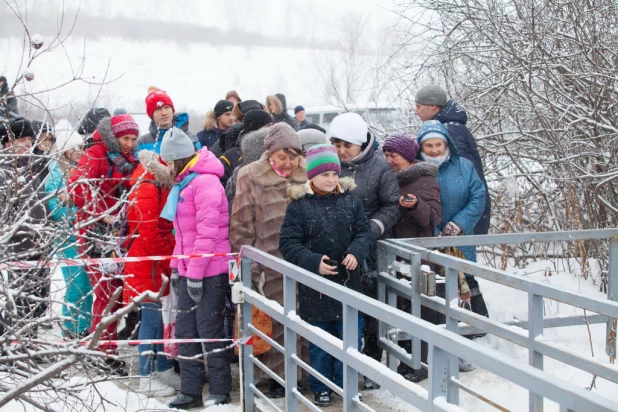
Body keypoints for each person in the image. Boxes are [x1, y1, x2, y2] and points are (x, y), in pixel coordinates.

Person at [280, 144, 373, 407]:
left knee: (350, 339)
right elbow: (288, 244)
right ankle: (321, 386)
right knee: (320, 342)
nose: (331, 179)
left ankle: (347, 385)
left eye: (334, 174)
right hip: (315, 288)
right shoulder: (298, 206)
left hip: (348, 283)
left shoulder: (350, 202)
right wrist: (313, 262)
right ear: (311, 177)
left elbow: (365, 233)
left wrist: (357, 251)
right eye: (325, 175)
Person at [230, 123, 307, 398]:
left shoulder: (307, 175)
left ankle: (303, 374)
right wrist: (248, 261)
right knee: (275, 320)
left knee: (303, 319)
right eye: (281, 157)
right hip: (269, 260)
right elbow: (241, 223)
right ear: (270, 153)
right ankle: (278, 377)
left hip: (304, 261)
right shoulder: (250, 175)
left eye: (293, 156)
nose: (287, 163)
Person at [158, 128, 232, 409]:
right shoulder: (184, 184)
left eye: (167, 161)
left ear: (177, 159)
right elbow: (182, 235)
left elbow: (207, 234)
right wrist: (177, 268)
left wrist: (197, 274)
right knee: (186, 331)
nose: (166, 166)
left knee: (210, 330)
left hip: (210, 271)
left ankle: (220, 389)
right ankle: (190, 391)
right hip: (189, 269)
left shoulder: (205, 184)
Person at [329, 113, 400, 389]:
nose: (342, 151)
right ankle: (338, 367)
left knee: (369, 307)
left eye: (348, 145)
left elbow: (391, 205)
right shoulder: (330, 165)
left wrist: (371, 228)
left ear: (361, 143)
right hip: (334, 245)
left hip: (368, 248)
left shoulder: (379, 168)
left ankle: (370, 364)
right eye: (337, 144)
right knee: (336, 307)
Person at [68, 114, 141, 375]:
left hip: (118, 235)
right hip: (94, 233)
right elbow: (76, 186)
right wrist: (102, 211)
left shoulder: (128, 159)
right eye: (125, 138)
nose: (130, 143)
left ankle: (98, 343)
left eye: (133, 138)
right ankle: (103, 353)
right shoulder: (97, 153)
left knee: (117, 293)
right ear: (114, 136)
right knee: (106, 293)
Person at [416, 119, 489, 371]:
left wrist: (458, 224)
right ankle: (434, 352)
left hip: (459, 240)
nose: (434, 149)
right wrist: (432, 231)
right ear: (420, 146)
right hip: (428, 243)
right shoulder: (416, 168)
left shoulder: (464, 167)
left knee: (461, 294)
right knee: (432, 297)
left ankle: (462, 349)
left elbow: (478, 196)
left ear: (447, 144)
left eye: (439, 144)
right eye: (429, 144)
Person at [382, 131, 442, 383]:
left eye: (393, 155)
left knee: (421, 310)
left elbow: (434, 218)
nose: (388, 160)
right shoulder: (387, 178)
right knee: (402, 309)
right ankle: (406, 360)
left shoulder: (425, 181)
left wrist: (416, 204)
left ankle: (421, 364)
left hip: (419, 256)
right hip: (395, 254)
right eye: (385, 154)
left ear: (407, 156)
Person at [123, 149, 179, 396]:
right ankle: (146, 375)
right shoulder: (148, 184)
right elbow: (148, 231)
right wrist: (169, 256)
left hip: (155, 260)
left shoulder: (156, 180)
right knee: (151, 318)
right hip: (148, 262)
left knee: (160, 318)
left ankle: (163, 367)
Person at [415, 85, 490, 235]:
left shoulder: (449, 130)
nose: (416, 112)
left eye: (418, 106)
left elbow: (461, 177)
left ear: (433, 107)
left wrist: (458, 224)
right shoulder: (453, 126)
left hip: (458, 226)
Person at [0, 118, 49, 340]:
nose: (28, 144)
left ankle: (29, 343)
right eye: (22, 139)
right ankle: (16, 345)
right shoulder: (4, 174)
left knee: (39, 301)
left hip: (39, 247)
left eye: (29, 139)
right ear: (8, 144)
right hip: (17, 248)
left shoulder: (31, 169)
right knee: (21, 302)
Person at [45, 124, 92, 339]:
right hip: (66, 239)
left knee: (88, 283)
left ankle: (86, 326)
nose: (80, 151)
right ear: (64, 150)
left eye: (82, 147)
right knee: (76, 284)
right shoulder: (55, 176)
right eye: (75, 148)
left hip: (83, 237)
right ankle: (71, 329)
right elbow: (56, 211)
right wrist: (77, 206)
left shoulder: (79, 171)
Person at [137, 88, 201, 154]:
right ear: (151, 115)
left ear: (172, 110)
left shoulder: (190, 139)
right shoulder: (142, 143)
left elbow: (199, 163)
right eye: (158, 109)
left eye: (167, 107)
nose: (164, 113)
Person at [219, 109, 272, 187]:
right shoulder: (230, 156)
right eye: (268, 127)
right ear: (255, 128)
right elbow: (222, 186)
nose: (272, 130)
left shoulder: (276, 151)